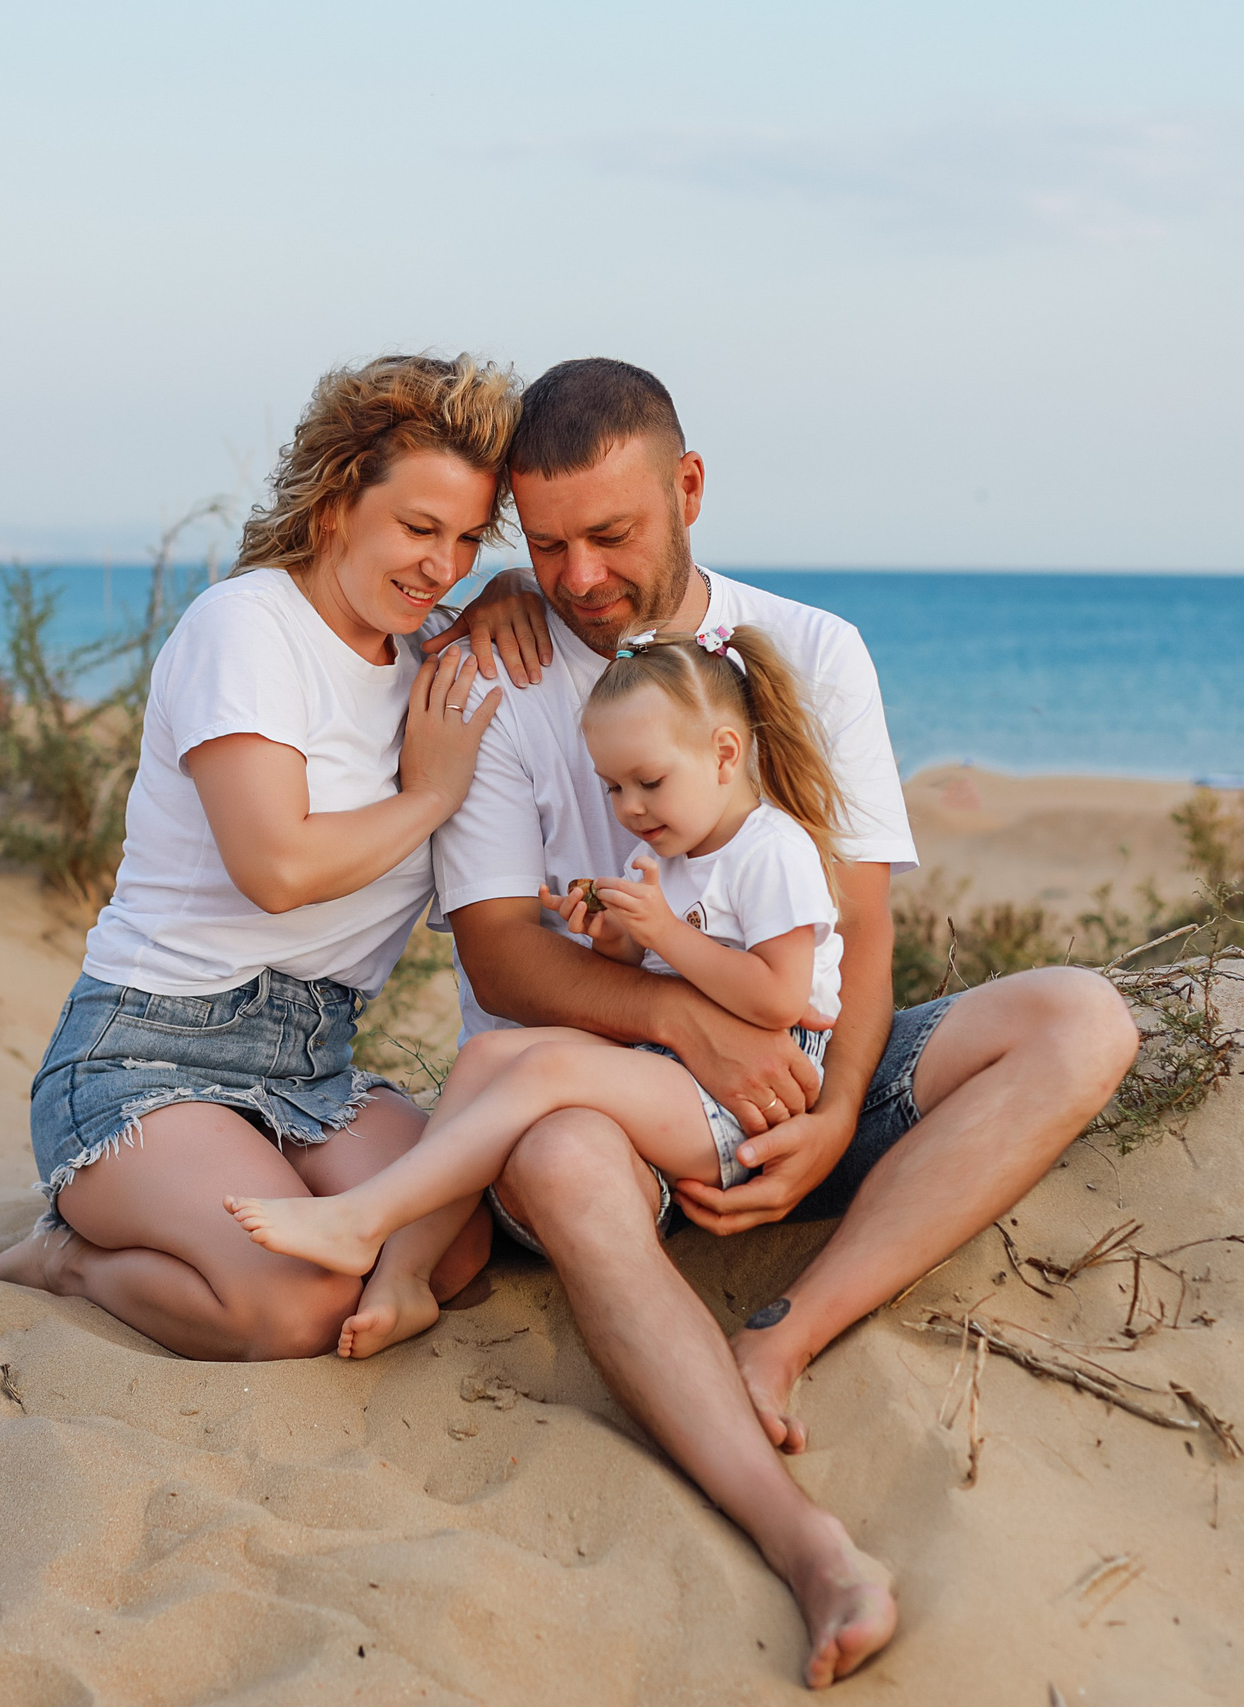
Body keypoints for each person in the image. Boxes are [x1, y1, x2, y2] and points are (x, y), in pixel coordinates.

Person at [432, 358, 1144, 1688]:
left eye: (614, 533)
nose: (579, 575)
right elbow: (499, 953)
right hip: (593, 1103)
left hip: (794, 1076)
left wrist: (831, 1114)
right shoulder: (498, 670)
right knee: (561, 1148)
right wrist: (674, 1019)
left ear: (688, 488)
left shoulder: (810, 649)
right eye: (546, 542)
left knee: (1081, 1016)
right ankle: (807, 1542)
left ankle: (785, 1334)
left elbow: (863, 932)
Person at [0, 352, 521, 1362]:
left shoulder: (427, 655)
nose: (442, 566)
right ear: (333, 505)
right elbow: (278, 867)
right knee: (296, 1306)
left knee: (450, 1248)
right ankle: (70, 1261)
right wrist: (429, 796)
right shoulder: (249, 628)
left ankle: (227, 1199)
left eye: (468, 540)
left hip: (313, 1058)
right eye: (416, 528)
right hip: (147, 1054)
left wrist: (518, 591)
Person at [223, 626, 850, 1348]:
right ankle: (406, 1272)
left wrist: (668, 934)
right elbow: (663, 981)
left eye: (649, 781)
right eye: (613, 787)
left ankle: (363, 1218)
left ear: (725, 753)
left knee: (546, 1065)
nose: (632, 808)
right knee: (490, 1058)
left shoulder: (772, 850)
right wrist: (617, 939)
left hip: (754, 1097)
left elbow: (776, 996)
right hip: (685, 1073)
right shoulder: (672, 853)